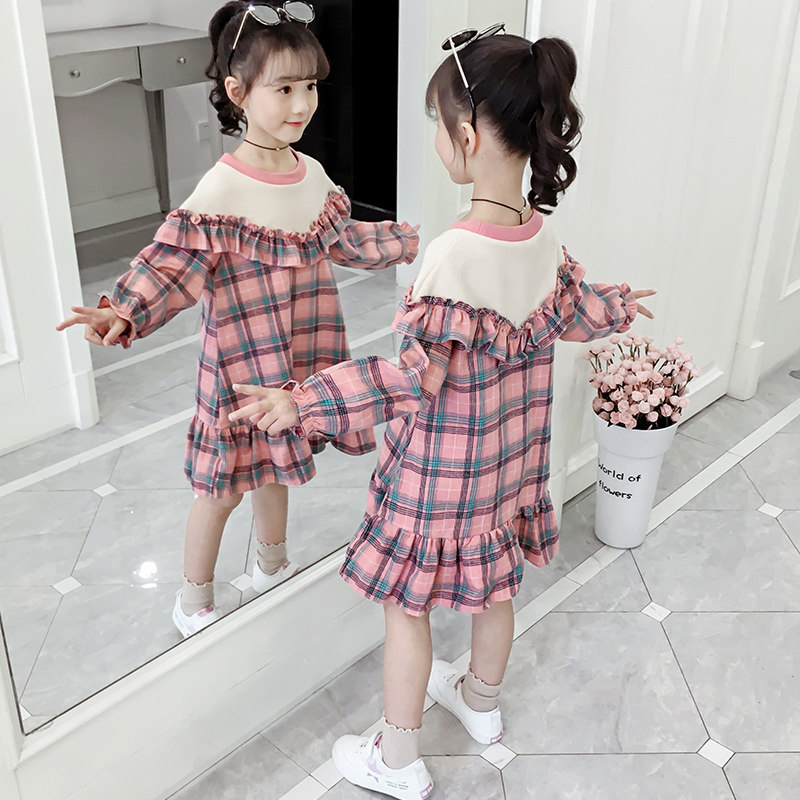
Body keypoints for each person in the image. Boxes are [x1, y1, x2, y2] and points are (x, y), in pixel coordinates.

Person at [229, 27, 655, 800]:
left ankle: (396, 759)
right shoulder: (539, 235)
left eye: (437, 125)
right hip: (509, 469)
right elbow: (570, 312)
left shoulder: (455, 253)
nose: (436, 140)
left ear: (466, 135)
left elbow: (409, 379)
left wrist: (306, 401)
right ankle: (481, 704)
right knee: (496, 588)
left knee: (407, 608)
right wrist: (617, 306)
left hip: (439, 481)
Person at [56, 0, 419, 639]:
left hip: (295, 359)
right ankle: (192, 598)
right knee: (222, 489)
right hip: (239, 365)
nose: (302, 104)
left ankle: (271, 567)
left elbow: (345, 240)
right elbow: (170, 265)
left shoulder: (311, 173)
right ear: (237, 92)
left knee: (277, 465)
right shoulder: (222, 190)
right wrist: (122, 310)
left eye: (310, 86)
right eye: (284, 88)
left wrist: (407, 241)